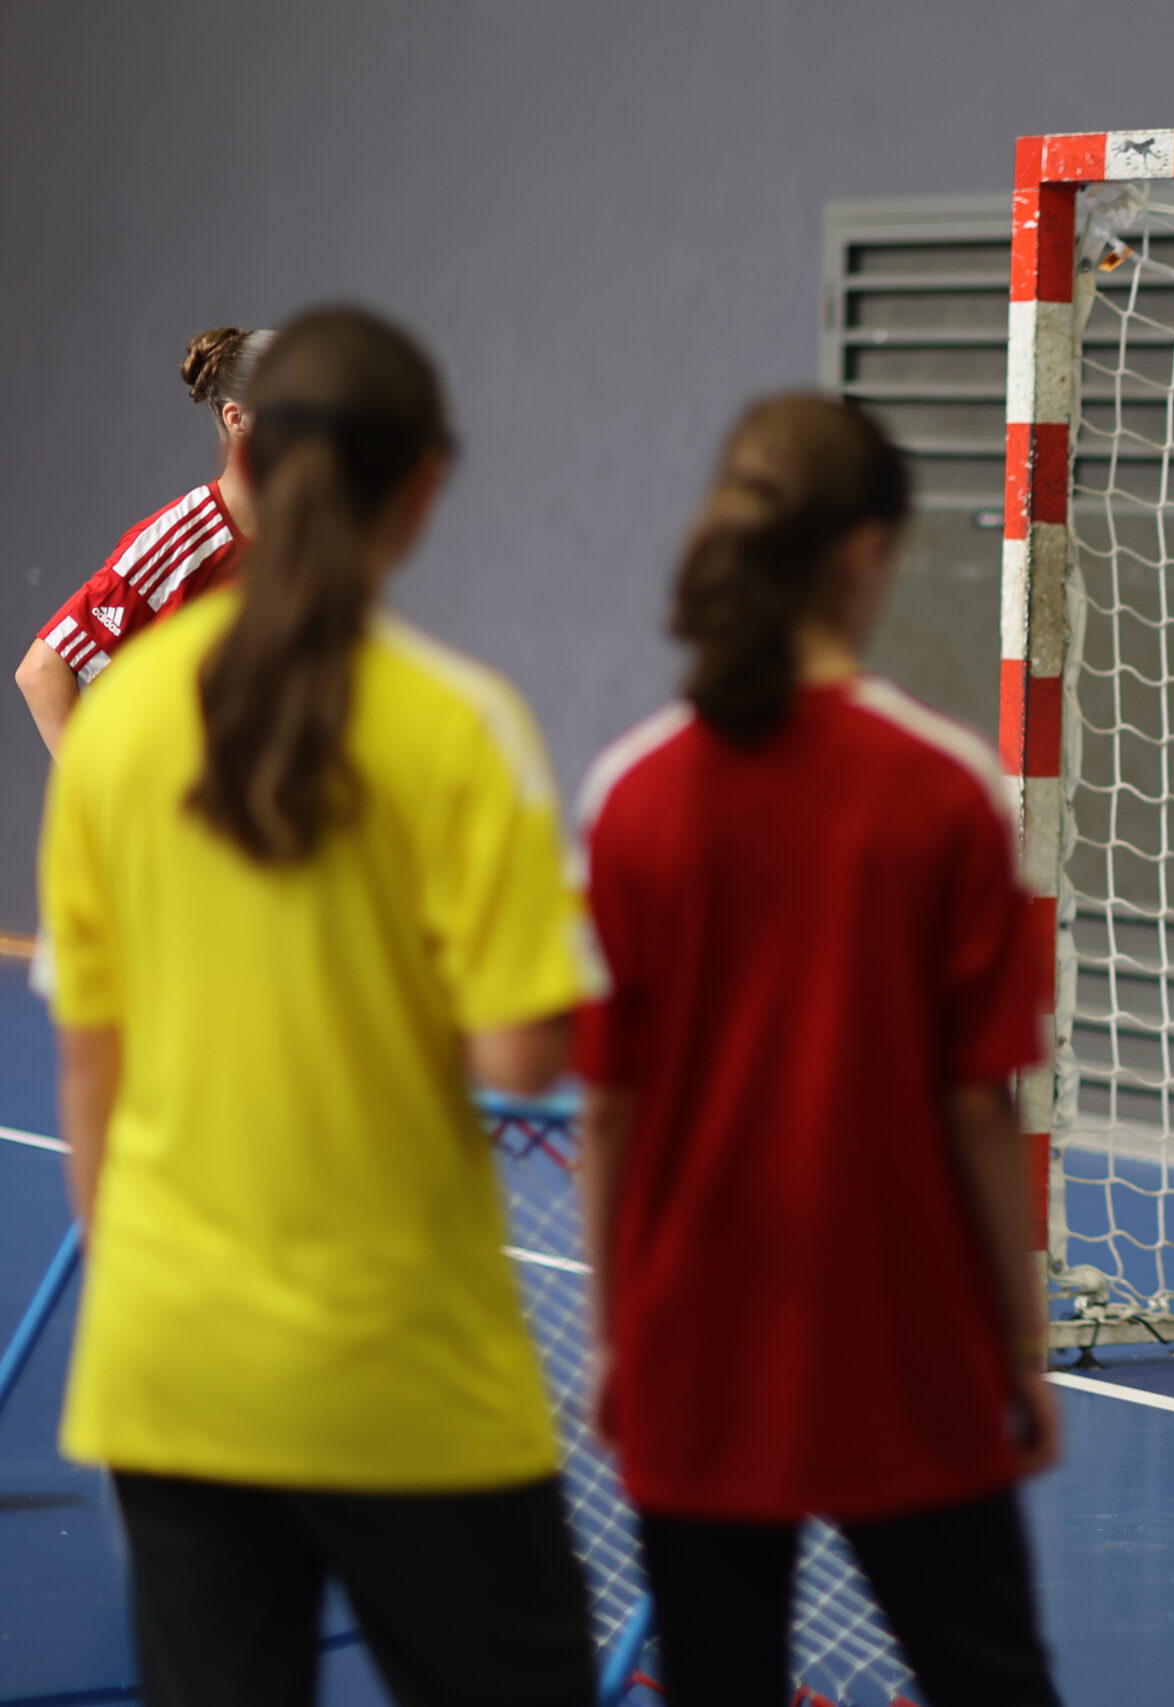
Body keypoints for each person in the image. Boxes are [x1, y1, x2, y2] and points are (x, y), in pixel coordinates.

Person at [34, 306, 600, 1705]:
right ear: (422, 486)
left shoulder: (132, 757)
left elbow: (87, 1076)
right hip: (401, 1358)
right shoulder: (463, 728)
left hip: (170, 1366)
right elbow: (524, 1049)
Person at [577, 394, 1063, 1706]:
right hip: (905, 1341)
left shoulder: (629, 793)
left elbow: (608, 1110)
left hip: (694, 1346)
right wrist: (1017, 1346)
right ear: (865, 554)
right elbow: (977, 1104)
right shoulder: (947, 788)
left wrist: (619, 1335)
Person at [16, 326, 271, 755]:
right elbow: (42, 670)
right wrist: (102, 805)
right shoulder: (181, 540)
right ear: (237, 419)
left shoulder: (308, 544)